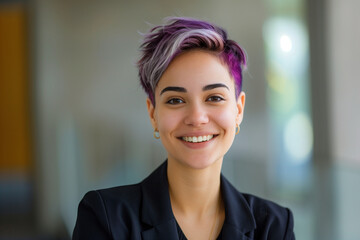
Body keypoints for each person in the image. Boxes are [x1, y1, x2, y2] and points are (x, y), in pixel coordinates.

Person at [72, 17, 295, 240]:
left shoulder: (273, 227)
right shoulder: (107, 219)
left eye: (214, 97)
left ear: (238, 110)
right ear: (153, 114)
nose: (197, 118)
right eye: (175, 100)